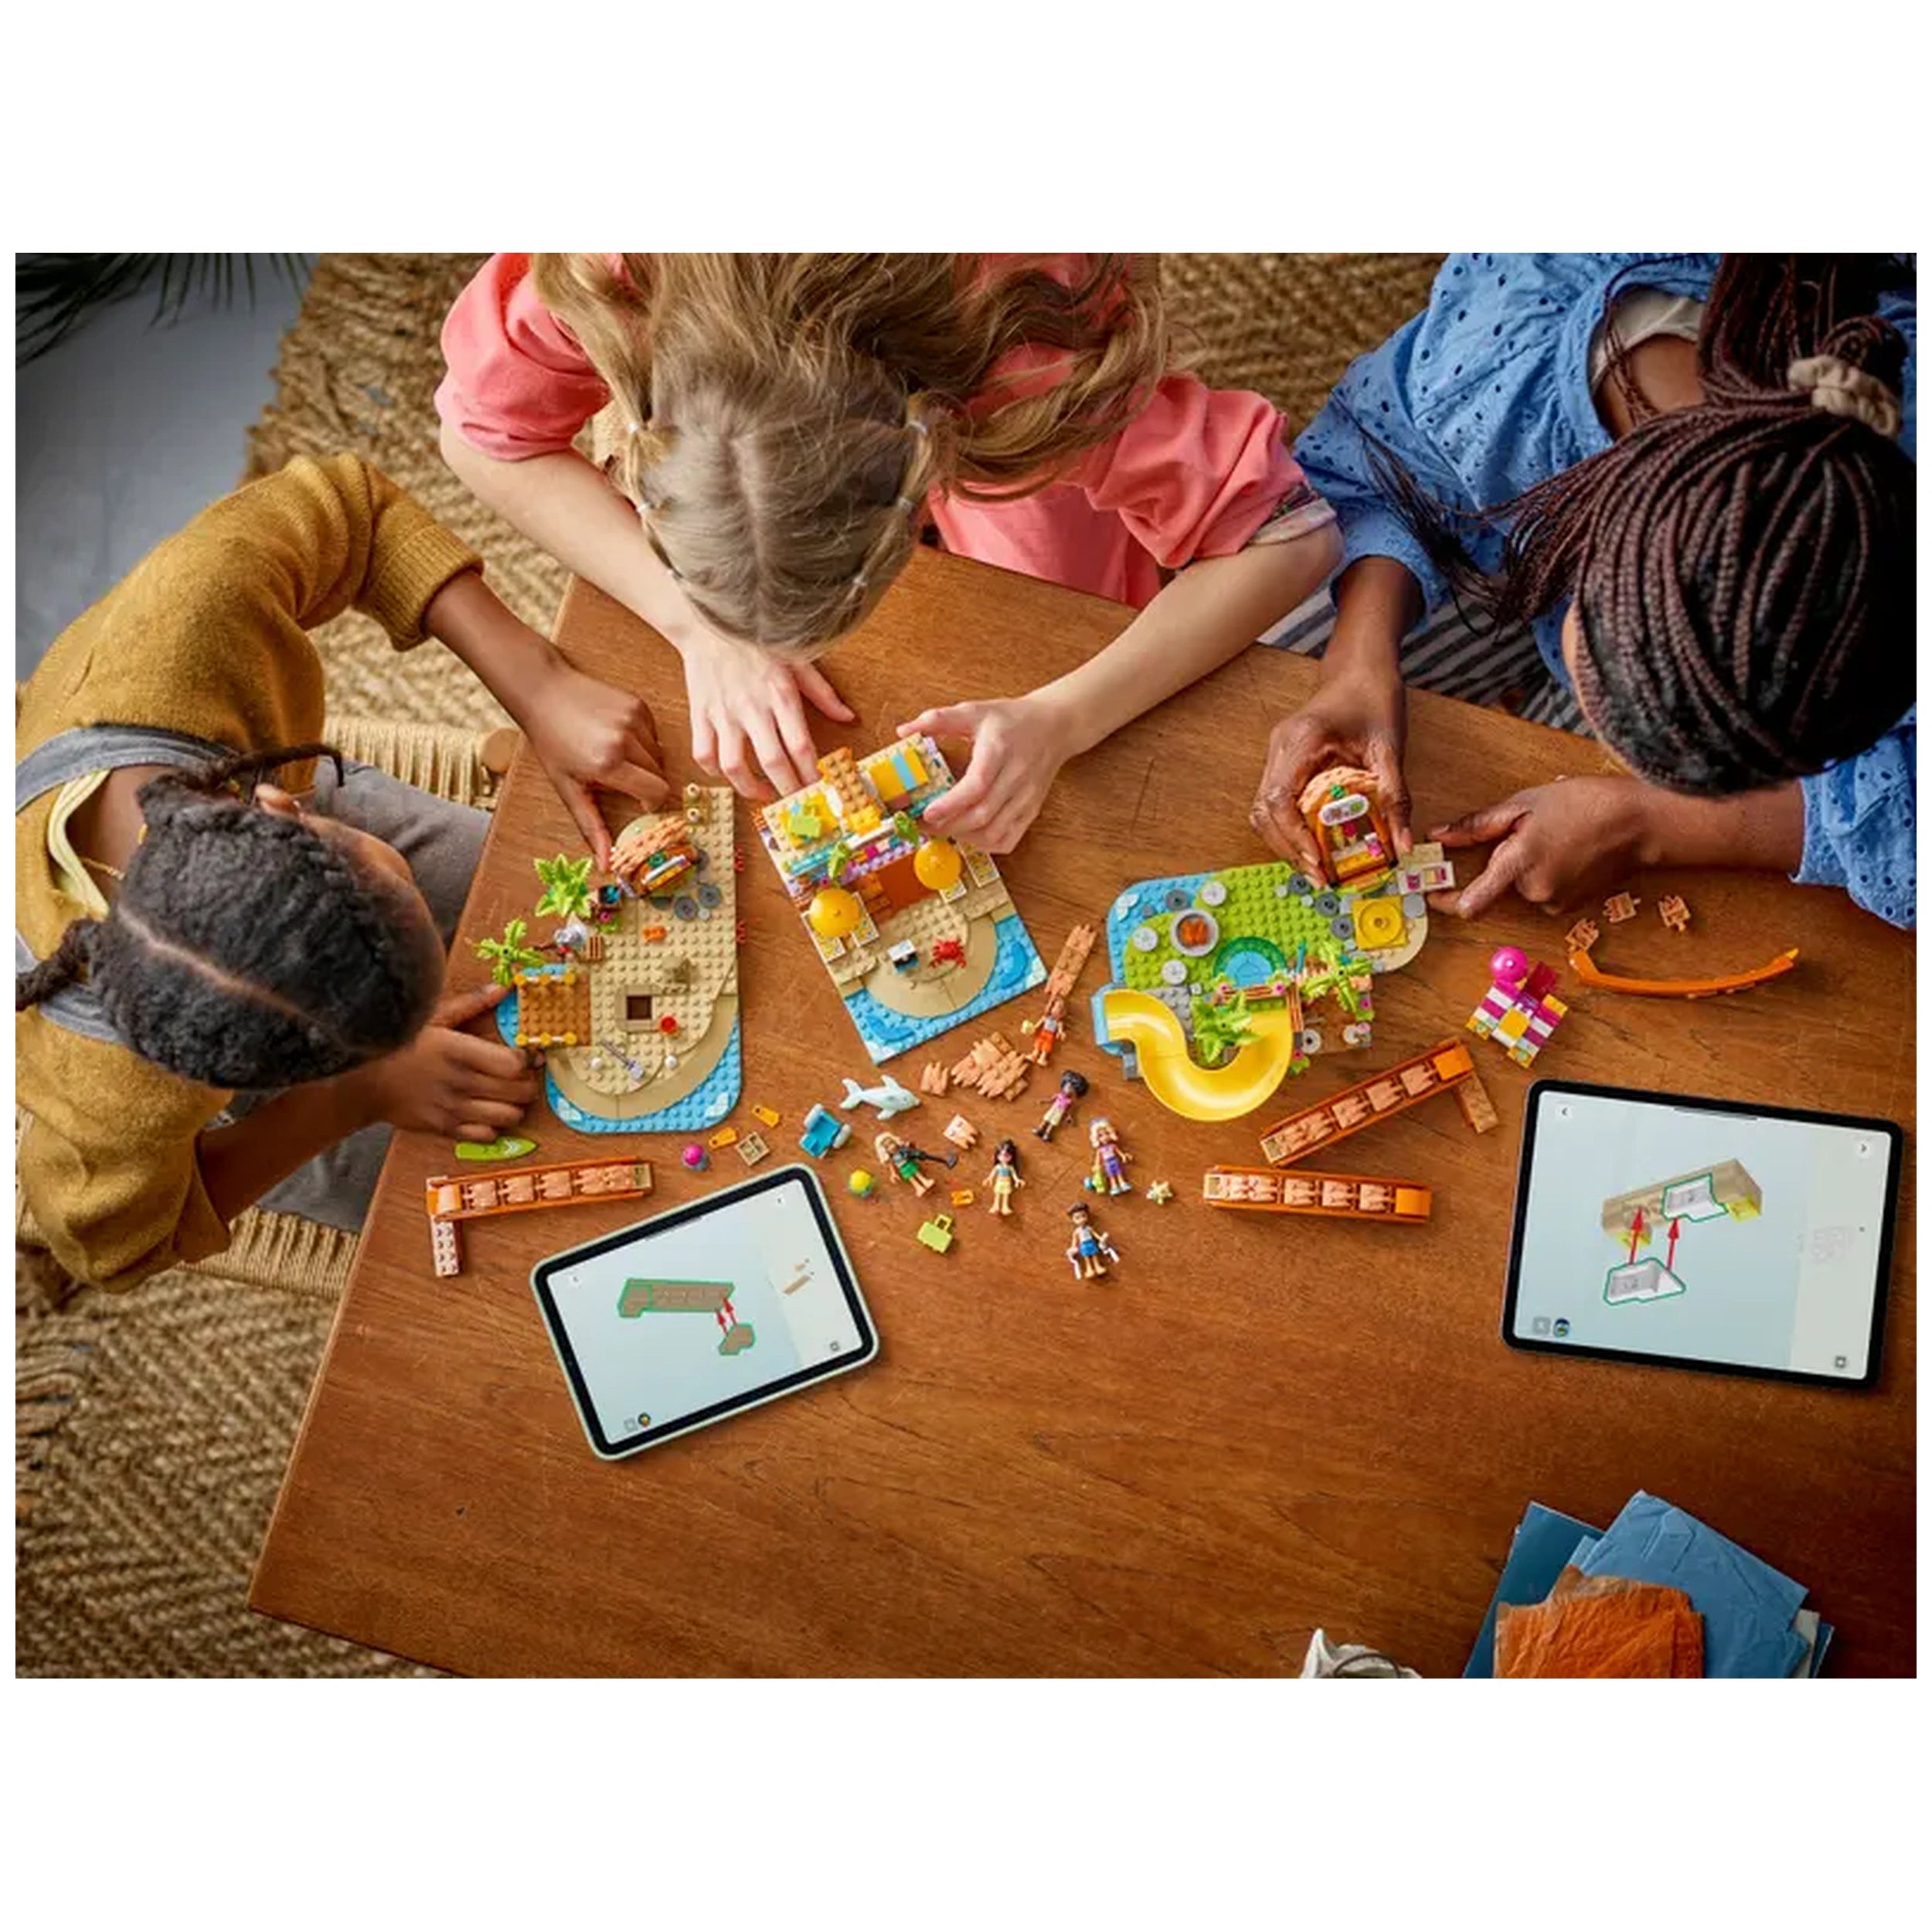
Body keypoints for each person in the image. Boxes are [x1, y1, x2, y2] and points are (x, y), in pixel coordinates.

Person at [15, 454, 669, 1292]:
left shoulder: (185, 628)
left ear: (286, 809)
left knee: (572, 901)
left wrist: (534, 685)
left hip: (223, 795)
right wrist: (354, 1097)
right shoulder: (110, 1093)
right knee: (524, 1211)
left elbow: (351, 509)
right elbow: (118, 1250)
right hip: (251, 1075)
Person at [437, 253, 1341, 848]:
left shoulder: (1023, 365)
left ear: (928, 462)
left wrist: (1066, 715)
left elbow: (1290, 537)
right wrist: (699, 629)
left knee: (1047, 609)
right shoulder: (609, 276)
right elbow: (476, 436)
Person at [1251, 254, 1917, 928]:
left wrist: (1653, 821)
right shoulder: (1500, 353)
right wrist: (1358, 660)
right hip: (1480, 511)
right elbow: (1383, 456)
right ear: (1596, 543)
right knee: (1262, 680)